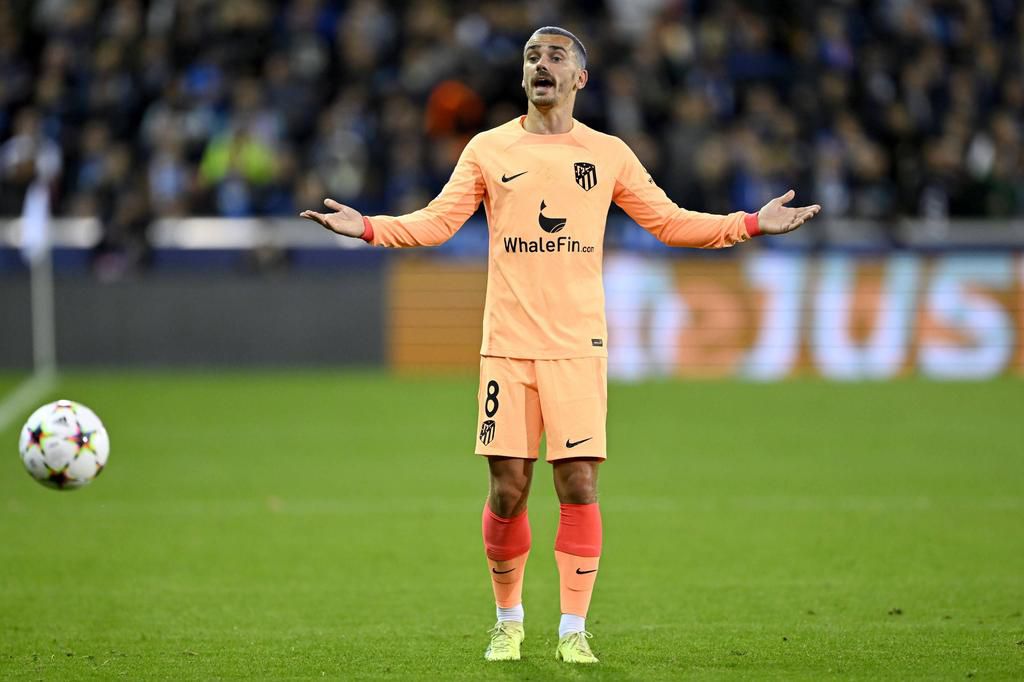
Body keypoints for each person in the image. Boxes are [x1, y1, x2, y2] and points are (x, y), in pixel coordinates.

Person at [301, 26, 820, 664]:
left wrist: (751, 223)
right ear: (524, 76)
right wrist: (369, 227)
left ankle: (573, 630)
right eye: (531, 57)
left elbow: (668, 221)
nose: (541, 64)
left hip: (577, 345)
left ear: (580, 78)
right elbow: (437, 222)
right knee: (508, 488)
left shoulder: (607, 154)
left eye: (555, 56)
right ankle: (508, 621)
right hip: (508, 345)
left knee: (578, 481)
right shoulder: (488, 149)